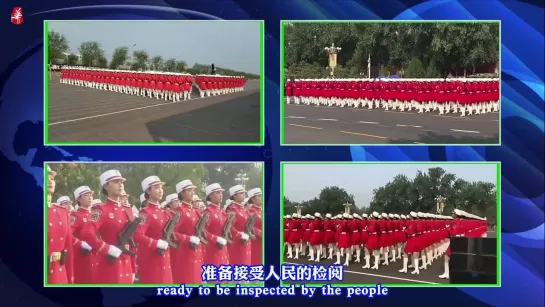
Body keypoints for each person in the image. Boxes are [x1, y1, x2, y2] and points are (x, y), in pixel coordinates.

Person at [80, 170, 134, 284]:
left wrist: (133, 268)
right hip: (110, 265)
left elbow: (132, 240)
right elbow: (87, 233)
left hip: (127, 265)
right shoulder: (101, 209)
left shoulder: (127, 210)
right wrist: (106, 248)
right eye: (115, 182)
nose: (120, 185)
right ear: (106, 186)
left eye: (121, 182)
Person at [133, 176, 173, 284]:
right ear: (148, 191)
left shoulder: (165, 212)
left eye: (161, 187)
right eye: (156, 187)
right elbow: (137, 235)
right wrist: (155, 243)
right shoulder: (145, 212)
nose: (160, 191)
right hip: (152, 262)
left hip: (165, 261)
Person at [171, 180, 204, 284]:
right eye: (189, 190)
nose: (192, 193)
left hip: (197, 252)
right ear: (182, 193)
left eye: (193, 190)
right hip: (186, 253)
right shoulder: (180, 211)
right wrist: (188, 238)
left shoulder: (194, 211)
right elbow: (172, 233)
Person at [46, 165, 74, 284]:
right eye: (44, 178)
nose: (49, 181)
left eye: (52, 178)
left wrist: (70, 278)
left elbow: (68, 248)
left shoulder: (62, 212)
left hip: (59, 273)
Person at [70, 186, 95, 284]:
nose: (90, 197)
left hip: (97, 254)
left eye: (91, 195)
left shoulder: (94, 214)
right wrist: (80, 243)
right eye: (86, 195)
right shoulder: (75, 216)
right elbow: (67, 234)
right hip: (83, 256)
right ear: (78, 199)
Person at [202, 183, 231, 267]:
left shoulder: (222, 212)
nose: (221, 195)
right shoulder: (208, 212)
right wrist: (215, 239)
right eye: (218, 193)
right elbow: (202, 231)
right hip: (212, 252)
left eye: (221, 193)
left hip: (224, 251)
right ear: (210, 195)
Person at [227, 185, 252, 265]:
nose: (244, 195)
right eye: (241, 193)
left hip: (246, 243)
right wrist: (239, 234)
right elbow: (229, 226)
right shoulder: (233, 210)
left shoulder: (244, 210)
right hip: (238, 244)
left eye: (244, 193)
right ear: (234, 195)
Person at [246, 188, 263, 265]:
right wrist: (259, 232)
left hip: (262, 241)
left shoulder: (261, 211)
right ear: (252, 198)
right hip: (255, 241)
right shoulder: (251, 211)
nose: (262, 197)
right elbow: (248, 226)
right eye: (259, 196)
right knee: (256, 262)